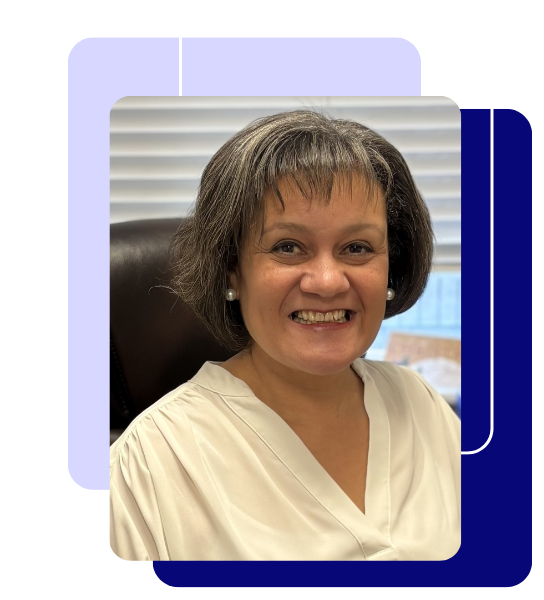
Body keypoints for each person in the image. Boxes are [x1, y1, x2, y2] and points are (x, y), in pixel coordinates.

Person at [109, 110, 461, 561]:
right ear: (232, 271)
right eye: (288, 247)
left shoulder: (421, 403)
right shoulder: (151, 465)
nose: (328, 282)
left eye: (357, 247)